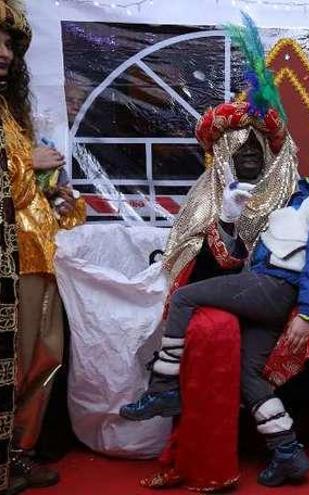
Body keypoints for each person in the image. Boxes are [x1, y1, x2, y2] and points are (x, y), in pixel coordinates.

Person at [122, 137, 309, 487]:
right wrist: (227, 217)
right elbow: (232, 253)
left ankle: (163, 387)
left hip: (290, 296)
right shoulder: (289, 195)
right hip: (265, 292)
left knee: (185, 300)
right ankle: (287, 451)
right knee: (250, 372)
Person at [0, 2, 86, 492]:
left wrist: (56, 194)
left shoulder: (13, 115)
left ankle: (19, 454)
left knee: (43, 357)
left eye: (11, 44)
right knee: (10, 360)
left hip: (40, 258)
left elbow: (31, 197)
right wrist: (25, 164)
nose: (5, 53)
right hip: (9, 263)